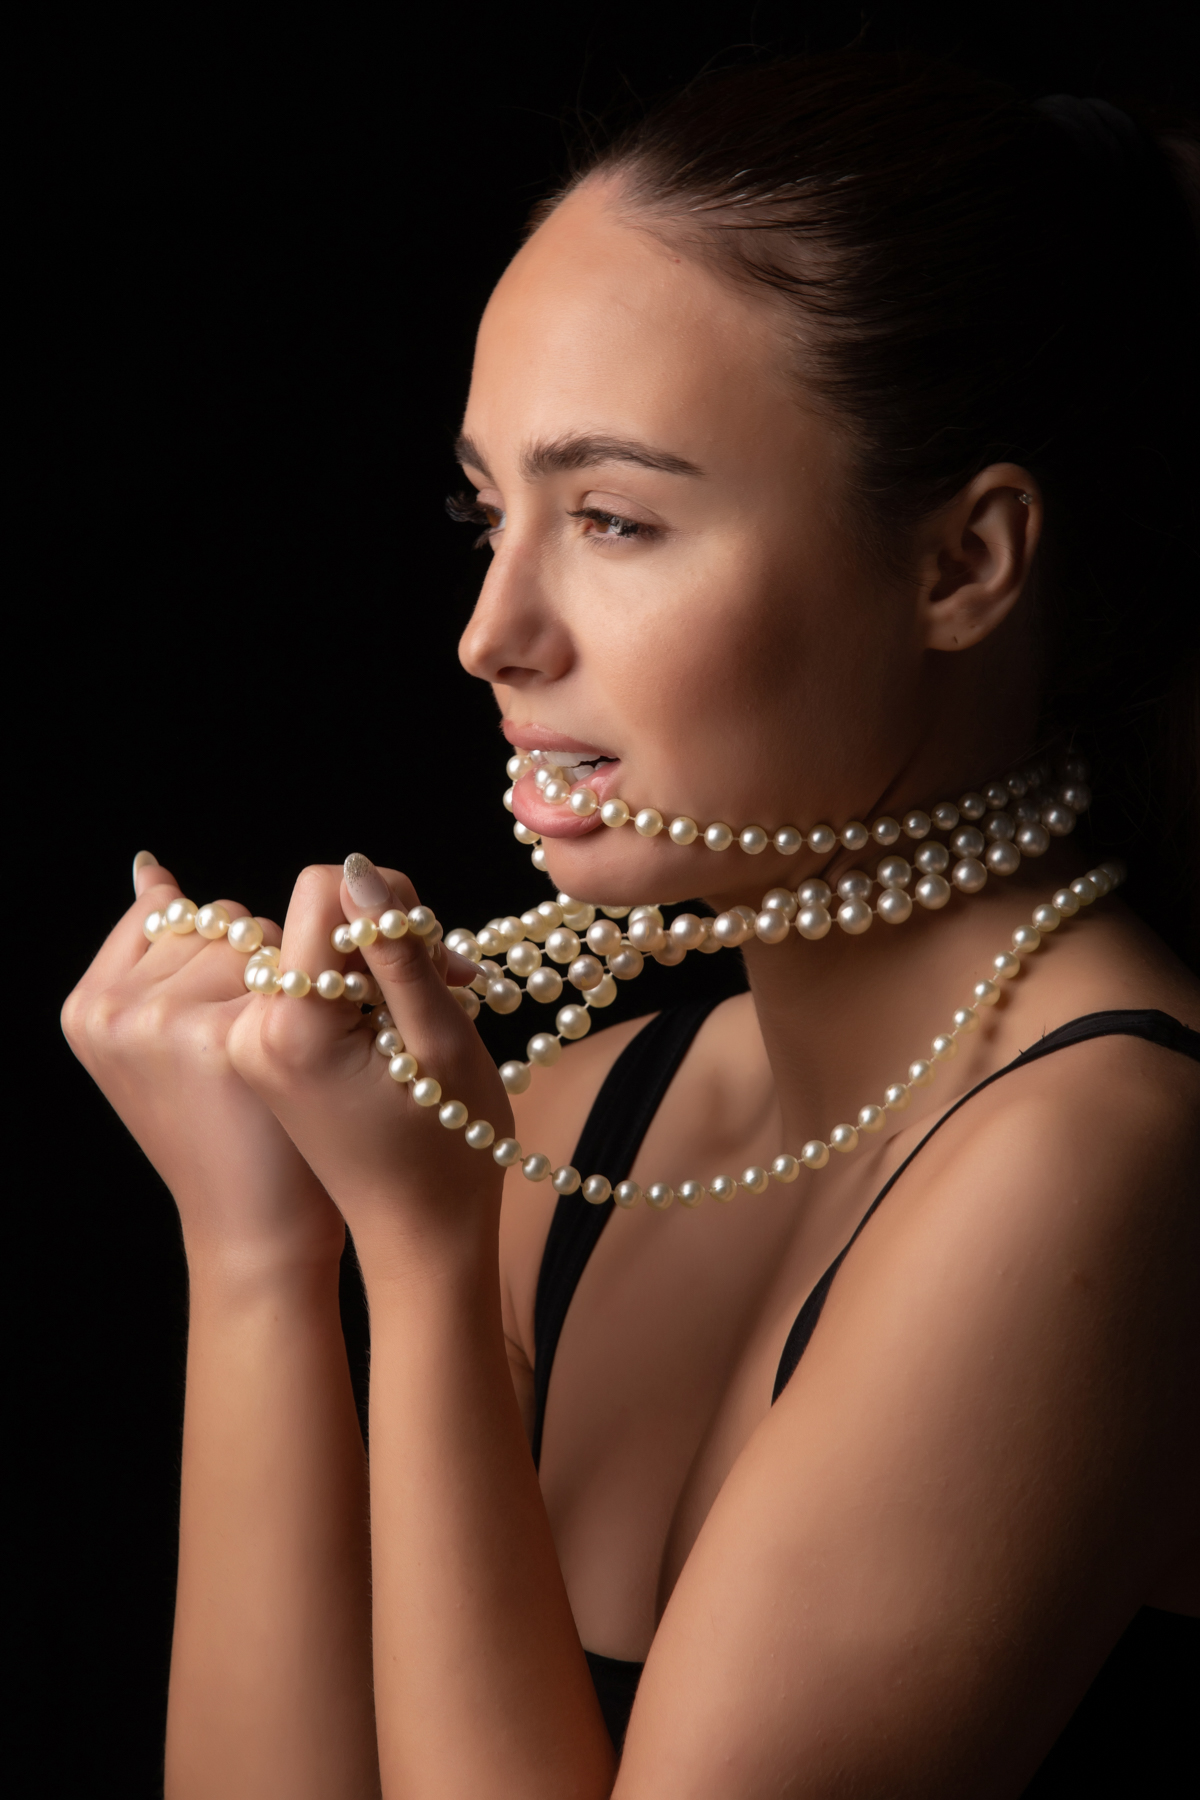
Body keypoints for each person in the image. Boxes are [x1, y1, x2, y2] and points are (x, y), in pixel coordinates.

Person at [63, 54, 1199, 1799]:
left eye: (613, 519)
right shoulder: (593, 1123)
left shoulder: (1113, 1152)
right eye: (486, 511)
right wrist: (260, 1252)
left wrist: (425, 1271)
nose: (492, 631)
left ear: (965, 564)